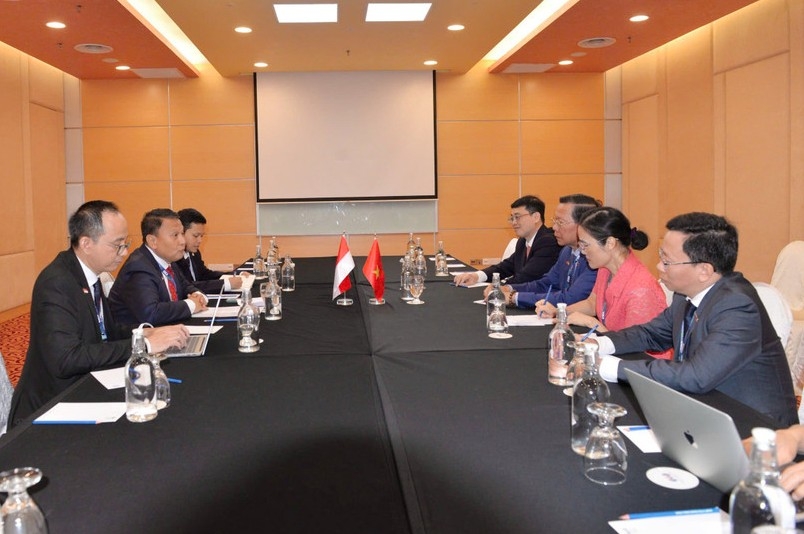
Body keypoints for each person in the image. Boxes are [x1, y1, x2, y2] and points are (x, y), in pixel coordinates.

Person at [591, 212, 797, 426]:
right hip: (705, 412)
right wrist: (598, 343)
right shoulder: (686, 295)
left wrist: (612, 367)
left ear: (704, 270)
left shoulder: (737, 306)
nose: (659, 267)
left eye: (666, 261)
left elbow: (695, 376)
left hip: (757, 430)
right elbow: (651, 334)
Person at [8, 201, 190, 426]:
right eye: (117, 245)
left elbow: (107, 332)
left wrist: (147, 333)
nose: (124, 253)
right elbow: (66, 359)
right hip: (52, 405)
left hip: (87, 386)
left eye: (126, 243)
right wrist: (145, 346)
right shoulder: (57, 283)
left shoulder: (91, 276)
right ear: (86, 243)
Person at [538, 207, 668, 340]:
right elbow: (592, 303)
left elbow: (635, 348)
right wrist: (559, 312)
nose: (582, 252)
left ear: (610, 243)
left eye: (585, 245)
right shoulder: (605, 269)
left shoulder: (641, 289)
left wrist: (592, 323)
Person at [489, 194, 600, 309]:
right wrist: (509, 288)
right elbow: (546, 284)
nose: (554, 228)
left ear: (583, 225)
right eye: (554, 221)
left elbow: (569, 298)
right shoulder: (567, 251)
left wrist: (514, 298)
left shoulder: (594, 259)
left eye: (560, 222)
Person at [110, 208, 208, 327]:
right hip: (136, 341)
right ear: (152, 241)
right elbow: (151, 313)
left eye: (182, 234)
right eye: (175, 235)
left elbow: (186, 286)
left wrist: (199, 297)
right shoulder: (139, 268)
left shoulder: (168, 260)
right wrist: (191, 304)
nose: (183, 241)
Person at [453, 195, 560, 286]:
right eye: (512, 218)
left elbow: (526, 277)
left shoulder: (548, 242)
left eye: (517, 217)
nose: (513, 222)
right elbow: (505, 267)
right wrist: (476, 276)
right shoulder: (522, 241)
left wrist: (497, 289)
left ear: (536, 217)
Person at [175, 208, 247, 294]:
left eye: (201, 236)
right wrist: (225, 284)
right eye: (196, 235)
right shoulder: (174, 258)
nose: (199, 240)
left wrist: (234, 274)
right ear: (181, 232)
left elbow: (205, 274)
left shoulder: (194, 253)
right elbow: (187, 286)